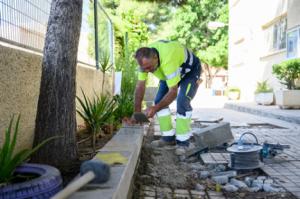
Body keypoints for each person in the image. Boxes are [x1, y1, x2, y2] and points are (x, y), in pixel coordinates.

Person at [133, 40, 202, 155]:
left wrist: (154, 108)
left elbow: (173, 92)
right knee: (159, 101)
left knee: (182, 101)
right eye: (145, 69)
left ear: (155, 57)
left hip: (189, 71)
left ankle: (183, 142)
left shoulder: (168, 58)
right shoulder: (144, 62)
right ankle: (168, 138)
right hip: (169, 73)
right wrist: (137, 113)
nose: (147, 71)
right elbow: (140, 86)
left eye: (149, 68)